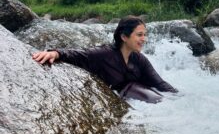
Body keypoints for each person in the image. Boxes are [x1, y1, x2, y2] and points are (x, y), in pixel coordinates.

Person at [32, 16, 178, 103]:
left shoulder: (140, 60)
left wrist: (180, 97)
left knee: (161, 99)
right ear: (124, 37)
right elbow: (79, 54)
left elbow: (160, 84)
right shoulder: (104, 54)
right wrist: (55, 53)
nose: (144, 39)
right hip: (119, 100)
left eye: (145, 35)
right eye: (139, 35)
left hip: (137, 101)